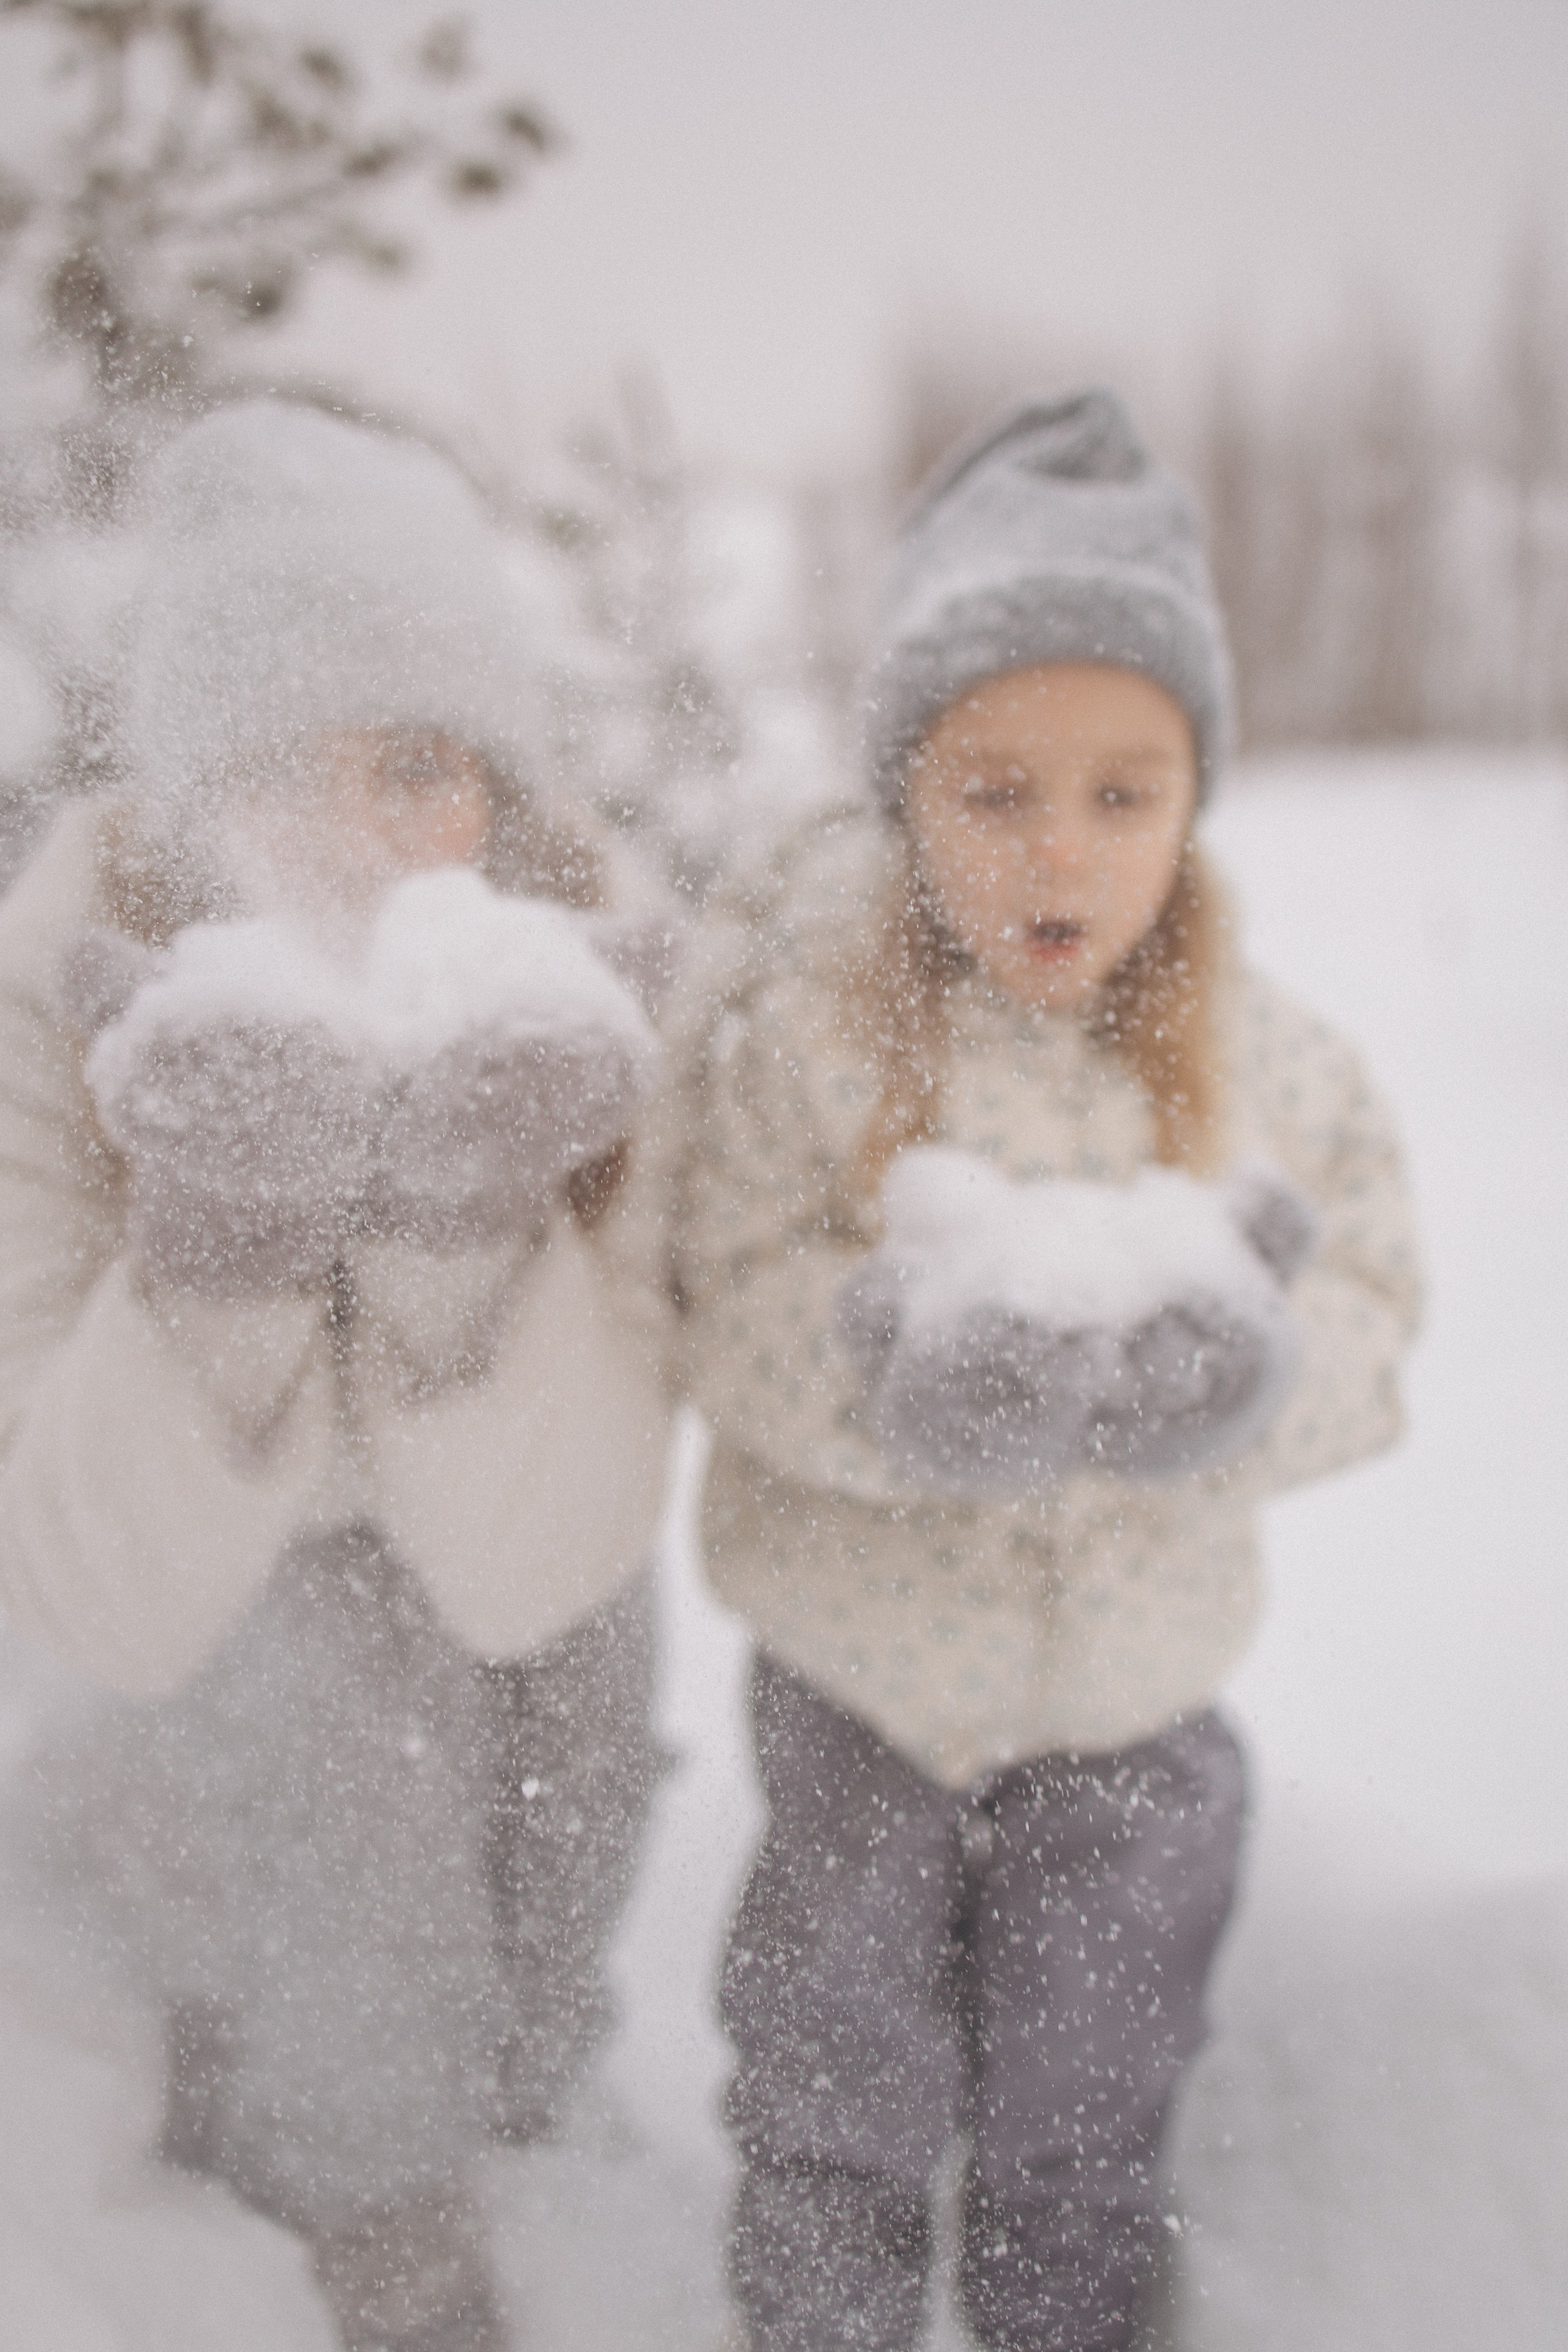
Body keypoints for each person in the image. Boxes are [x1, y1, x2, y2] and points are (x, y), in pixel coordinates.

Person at [658, 388, 1423, 2351]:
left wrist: (1242, 1385)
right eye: (995, 791)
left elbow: (1376, 1315)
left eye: (1121, 791)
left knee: (1086, 2108)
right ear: (906, 788)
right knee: (837, 2080)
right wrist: (891, 1390)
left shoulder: (1283, 1065)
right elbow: (725, 1302)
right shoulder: (814, 1042)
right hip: (864, 1701)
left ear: (1195, 798)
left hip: (1138, 1716)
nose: (1059, 850)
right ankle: (818, 2318)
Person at [0, 399, 673, 2352]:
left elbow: (558, 1559)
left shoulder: (592, 973)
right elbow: (98, 1598)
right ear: (190, 793)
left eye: (420, 764)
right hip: (217, 1625)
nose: (368, 835)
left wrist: (466, 1220)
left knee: (566, 1753)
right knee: (339, 1702)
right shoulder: (58, 981)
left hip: (517, 1582)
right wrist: (224, 1237)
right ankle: (356, 2212)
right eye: (288, 767)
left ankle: (526, 2099)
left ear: (500, 780)